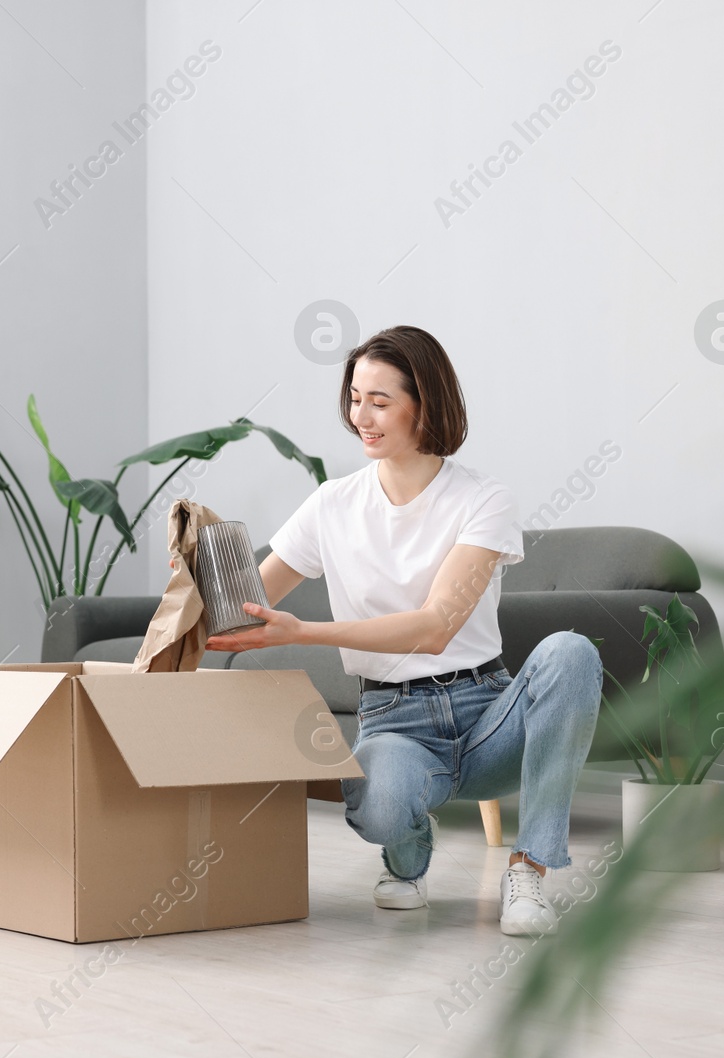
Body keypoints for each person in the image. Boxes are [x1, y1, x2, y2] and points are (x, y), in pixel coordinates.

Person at [204, 325, 603, 936]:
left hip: (486, 713)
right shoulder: (332, 505)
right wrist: (198, 575)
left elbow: (437, 627)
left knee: (570, 653)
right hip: (393, 718)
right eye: (354, 397)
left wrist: (303, 632)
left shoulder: (483, 499)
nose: (360, 415)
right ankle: (407, 855)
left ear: (426, 404)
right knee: (380, 807)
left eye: (380, 401)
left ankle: (528, 867)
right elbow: (245, 602)